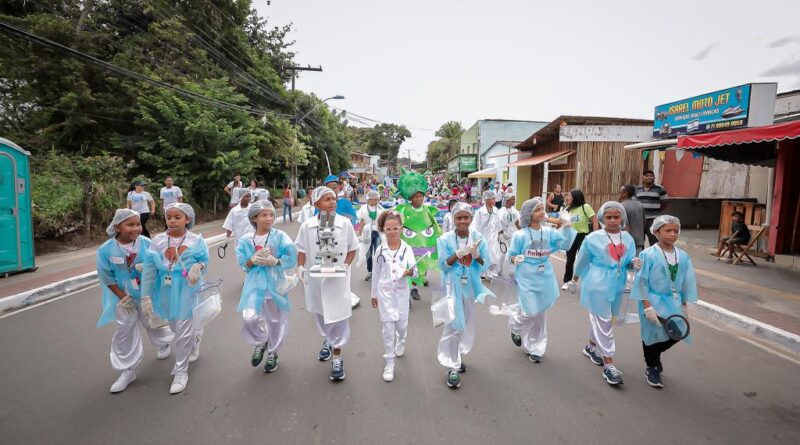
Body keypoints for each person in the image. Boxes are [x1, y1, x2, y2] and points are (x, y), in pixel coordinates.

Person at [96, 209, 174, 393]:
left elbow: (161, 267)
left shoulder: (147, 243)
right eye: (130, 224)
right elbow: (106, 277)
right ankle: (127, 370)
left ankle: (164, 343)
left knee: (153, 323)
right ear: (117, 227)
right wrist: (123, 297)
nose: (136, 228)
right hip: (122, 296)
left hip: (148, 294)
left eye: (138, 224)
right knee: (125, 330)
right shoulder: (105, 250)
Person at [141, 203, 209, 394]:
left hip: (187, 286)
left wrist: (199, 268)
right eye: (168, 217)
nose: (171, 220)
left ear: (187, 219)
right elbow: (149, 269)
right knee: (173, 326)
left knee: (183, 328)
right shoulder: (158, 241)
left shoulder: (196, 240)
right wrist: (146, 295)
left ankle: (181, 371)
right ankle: (195, 339)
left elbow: (204, 260)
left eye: (176, 217)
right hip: (165, 288)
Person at [569, 201, 640, 386]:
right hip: (596, 283)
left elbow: (628, 261)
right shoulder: (592, 238)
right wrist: (574, 280)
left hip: (618, 284)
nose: (613, 221)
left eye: (616, 217)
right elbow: (582, 261)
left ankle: (591, 346)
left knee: (607, 318)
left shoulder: (628, 239)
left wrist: (634, 264)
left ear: (622, 218)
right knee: (604, 320)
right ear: (602, 218)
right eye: (609, 217)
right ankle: (609, 364)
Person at [295, 186, 359, 381]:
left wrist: (346, 266)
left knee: (338, 318)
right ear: (316, 204)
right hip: (316, 279)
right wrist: (300, 267)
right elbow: (302, 249)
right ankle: (328, 340)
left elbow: (352, 248)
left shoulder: (344, 223)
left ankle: (337, 356)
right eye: (326, 199)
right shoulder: (307, 226)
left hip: (337, 280)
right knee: (322, 315)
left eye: (334, 199)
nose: (332, 202)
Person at [632, 215, 698, 388]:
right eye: (668, 230)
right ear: (656, 232)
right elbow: (641, 282)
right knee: (651, 334)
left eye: (676, 231)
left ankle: (654, 355)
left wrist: (684, 306)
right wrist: (647, 307)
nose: (673, 234)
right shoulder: (648, 255)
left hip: (672, 302)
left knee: (677, 332)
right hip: (651, 300)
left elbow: (686, 281)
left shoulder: (683, 257)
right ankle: (652, 367)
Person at [506, 198, 575, 362]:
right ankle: (515, 326)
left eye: (542, 208)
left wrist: (567, 226)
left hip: (545, 277)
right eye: (537, 210)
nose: (542, 212)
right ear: (528, 214)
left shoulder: (550, 232)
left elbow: (565, 244)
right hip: (526, 277)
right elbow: (511, 255)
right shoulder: (520, 235)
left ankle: (536, 347)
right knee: (531, 311)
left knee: (541, 314)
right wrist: (514, 259)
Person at [436, 202, 495, 388]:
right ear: (453, 219)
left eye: (466, 217)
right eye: (458, 217)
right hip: (452, 286)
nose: (462, 221)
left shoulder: (478, 238)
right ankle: (452, 365)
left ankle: (458, 354)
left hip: (469, 285)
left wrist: (475, 254)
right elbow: (444, 265)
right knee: (453, 323)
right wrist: (457, 254)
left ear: (471, 218)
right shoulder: (444, 239)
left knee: (467, 322)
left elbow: (485, 265)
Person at [236, 200, 297, 373]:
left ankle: (273, 352)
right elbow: (243, 264)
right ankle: (262, 341)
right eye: (264, 215)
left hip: (275, 284)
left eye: (271, 214)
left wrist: (276, 261)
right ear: (254, 218)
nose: (269, 218)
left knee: (275, 320)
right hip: (255, 285)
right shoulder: (246, 240)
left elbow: (291, 257)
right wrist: (252, 260)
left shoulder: (280, 236)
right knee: (250, 318)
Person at [370, 210, 418, 382]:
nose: (392, 231)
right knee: (388, 328)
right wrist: (373, 294)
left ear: (401, 228)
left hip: (402, 293)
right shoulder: (380, 250)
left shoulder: (407, 248)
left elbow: (415, 269)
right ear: (383, 229)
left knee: (401, 326)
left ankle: (402, 339)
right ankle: (389, 362)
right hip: (385, 293)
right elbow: (376, 272)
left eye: (395, 228)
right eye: (388, 229)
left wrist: (411, 271)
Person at [395, 171, 442, 301]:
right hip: (408, 245)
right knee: (408, 267)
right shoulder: (404, 209)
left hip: (423, 245)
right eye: (416, 197)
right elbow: (397, 224)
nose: (419, 199)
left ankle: (414, 290)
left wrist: (439, 236)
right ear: (410, 198)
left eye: (421, 197)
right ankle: (405, 295)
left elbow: (434, 224)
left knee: (420, 268)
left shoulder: (427, 209)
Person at [561, 189, 599, 290]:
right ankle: (567, 281)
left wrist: (597, 235)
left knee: (584, 259)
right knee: (570, 259)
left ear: (575, 197)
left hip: (582, 236)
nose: (567, 197)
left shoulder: (585, 207)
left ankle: (587, 281)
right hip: (571, 236)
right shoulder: (568, 209)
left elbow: (594, 220)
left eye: (568, 195)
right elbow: (562, 223)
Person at [470, 190, 503, 279]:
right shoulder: (480, 212)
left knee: (494, 255)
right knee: (484, 255)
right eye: (492, 198)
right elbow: (474, 226)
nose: (494, 200)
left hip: (493, 237)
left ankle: (492, 271)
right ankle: (483, 273)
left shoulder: (496, 210)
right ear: (486, 200)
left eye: (494, 198)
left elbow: (498, 223)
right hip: (483, 238)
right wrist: (475, 239)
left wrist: (500, 233)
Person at [357, 190, 386, 281]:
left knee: (378, 252)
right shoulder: (363, 209)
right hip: (366, 233)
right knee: (368, 253)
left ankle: (379, 271)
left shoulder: (380, 208)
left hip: (377, 232)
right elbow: (361, 222)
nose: (377, 201)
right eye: (376, 200)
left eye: (378, 200)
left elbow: (383, 221)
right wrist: (360, 235)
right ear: (370, 199)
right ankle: (370, 272)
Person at [635, 170, 669, 247]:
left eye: (651, 176)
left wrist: (656, 211)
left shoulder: (660, 189)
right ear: (642, 178)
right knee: (639, 241)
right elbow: (634, 203)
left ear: (654, 177)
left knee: (654, 240)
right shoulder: (637, 189)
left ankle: (654, 257)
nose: (649, 177)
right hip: (640, 220)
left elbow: (665, 203)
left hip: (653, 220)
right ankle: (641, 256)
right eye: (647, 175)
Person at [497, 193, 520, 277]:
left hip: (513, 233)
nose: (514, 201)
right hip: (503, 233)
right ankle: (499, 269)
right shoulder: (501, 211)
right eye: (512, 199)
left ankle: (512, 271)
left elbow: (517, 222)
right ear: (507, 200)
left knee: (514, 252)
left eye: (514, 199)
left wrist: (522, 232)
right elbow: (498, 224)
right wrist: (499, 234)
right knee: (502, 253)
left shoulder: (515, 211)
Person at [619, 185, 645, 254]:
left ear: (625, 193)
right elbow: (644, 222)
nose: (619, 194)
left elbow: (621, 224)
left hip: (626, 241)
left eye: (620, 192)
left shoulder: (621, 206)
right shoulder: (640, 205)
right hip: (639, 240)